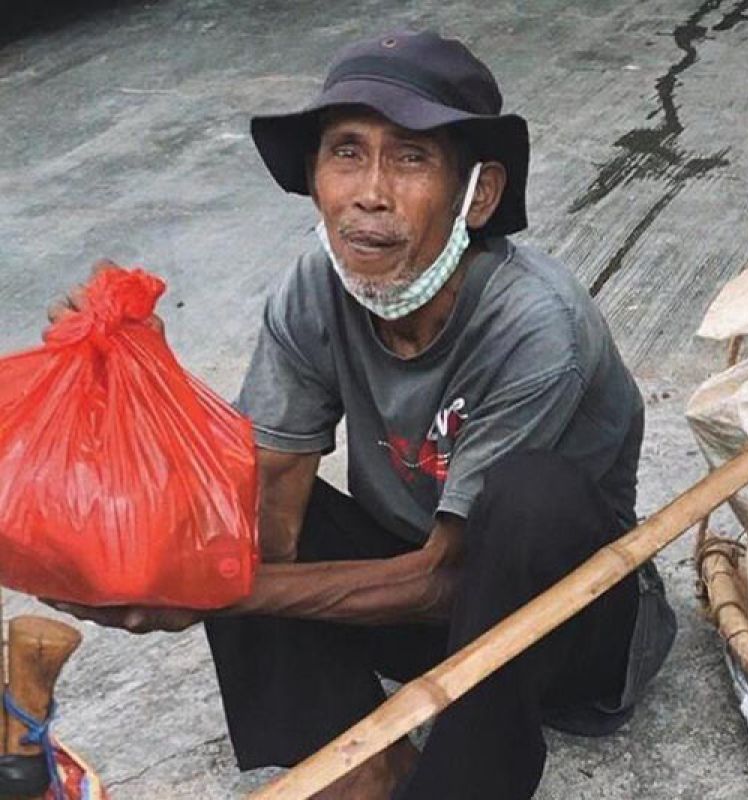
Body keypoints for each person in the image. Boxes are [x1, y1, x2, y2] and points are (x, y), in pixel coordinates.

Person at [48, 28, 677, 800]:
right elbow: (268, 517)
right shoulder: (314, 290)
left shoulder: (535, 322)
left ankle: (462, 786)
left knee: (531, 497)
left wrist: (223, 593)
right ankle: (363, 768)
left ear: (475, 194)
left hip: (566, 630)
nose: (369, 192)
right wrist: (138, 392)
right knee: (241, 512)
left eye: (411, 157)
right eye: (347, 152)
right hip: (418, 609)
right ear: (315, 178)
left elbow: (450, 580)